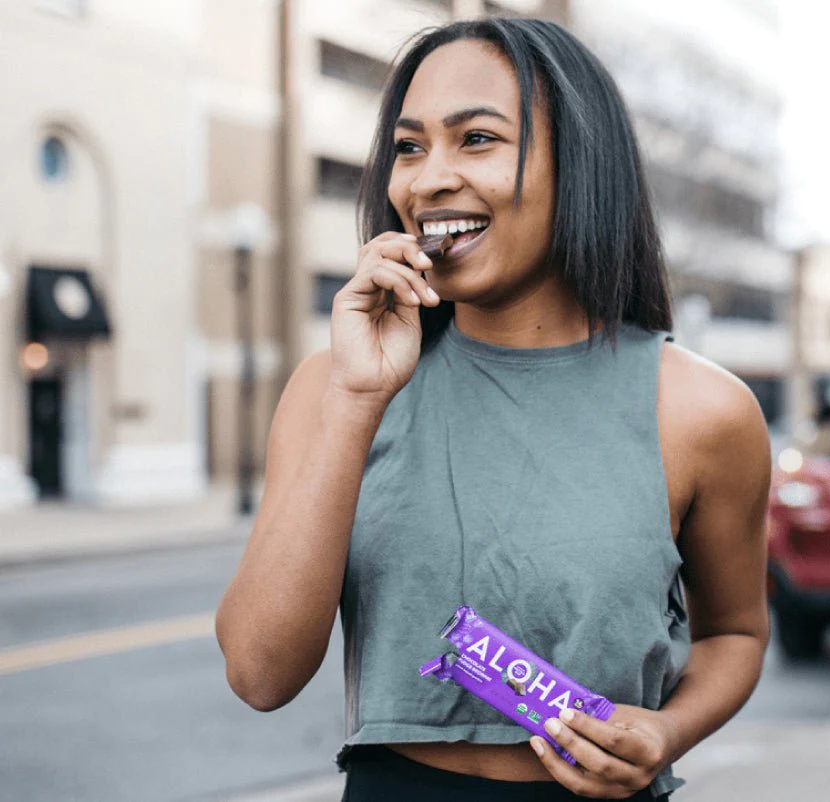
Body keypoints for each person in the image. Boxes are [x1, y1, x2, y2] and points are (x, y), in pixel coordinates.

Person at [215, 17, 771, 802]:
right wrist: (357, 398)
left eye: (476, 139)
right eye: (409, 147)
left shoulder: (704, 411)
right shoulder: (335, 384)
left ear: (578, 165)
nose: (427, 179)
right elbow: (259, 672)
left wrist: (667, 730)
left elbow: (735, 635)